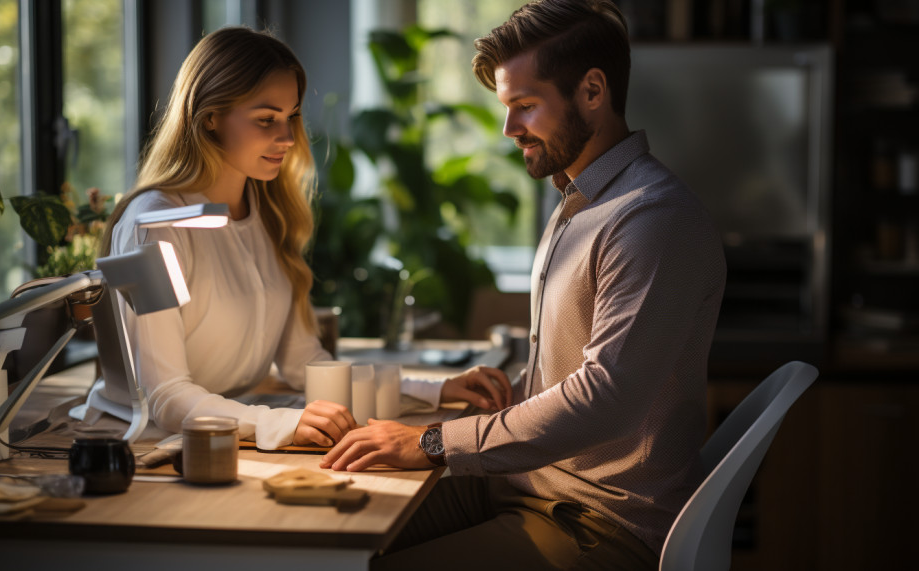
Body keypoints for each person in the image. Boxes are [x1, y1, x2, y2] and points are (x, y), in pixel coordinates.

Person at [321, 1, 727, 569]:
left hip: (595, 522)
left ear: (592, 91)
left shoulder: (651, 219)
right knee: (336, 534)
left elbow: (604, 399)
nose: (510, 129)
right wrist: (495, 393)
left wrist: (432, 441)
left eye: (525, 106)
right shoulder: (580, 202)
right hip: (527, 485)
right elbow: (565, 373)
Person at [102, 27, 508, 450]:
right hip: (149, 452)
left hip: (230, 439)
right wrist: (276, 422)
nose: (288, 138)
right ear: (209, 117)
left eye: (291, 116)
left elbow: (306, 365)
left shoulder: (269, 215)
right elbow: (163, 394)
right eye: (266, 120)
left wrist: (436, 390)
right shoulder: (152, 227)